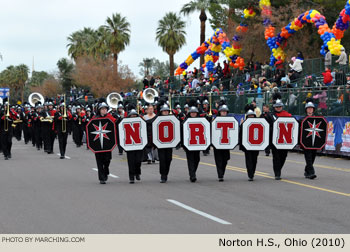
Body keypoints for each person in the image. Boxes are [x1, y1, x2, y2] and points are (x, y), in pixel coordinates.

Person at [265, 99, 292, 180]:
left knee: (283, 156)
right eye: (277, 107)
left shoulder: (288, 115)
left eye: (279, 106)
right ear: (274, 107)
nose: (278, 108)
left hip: (285, 140)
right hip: (274, 140)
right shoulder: (270, 115)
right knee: (276, 157)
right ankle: (277, 173)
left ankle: (278, 169)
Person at [92, 102, 116, 184]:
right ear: (99, 110)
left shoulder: (110, 117)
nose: (104, 110)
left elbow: (115, 123)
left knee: (107, 159)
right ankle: (101, 178)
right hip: (98, 144)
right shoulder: (94, 118)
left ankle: (106, 169)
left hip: (108, 143)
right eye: (102, 109)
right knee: (99, 160)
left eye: (105, 109)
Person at [240, 109, 259, 181]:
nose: (251, 116)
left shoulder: (258, 123)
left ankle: (252, 173)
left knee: (254, 160)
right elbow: (241, 135)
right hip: (247, 146)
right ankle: (250, 175)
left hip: (256, 145)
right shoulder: (244, 123)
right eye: (249, 115)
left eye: (252, 115)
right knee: (248, 160)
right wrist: (241, 125)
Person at [213, 105, 231, 182]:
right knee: (218, 160)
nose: (224, 112)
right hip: (217, 144)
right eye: (222, 111)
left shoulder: (231, 120)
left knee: (225, 159)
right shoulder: (215, 120)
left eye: (225, 111)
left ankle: (222, 172)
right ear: (220, 112)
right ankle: (220, 175)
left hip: (226, 144)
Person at [125, 109, 144, 184]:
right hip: (129, 145)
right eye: (132, 115)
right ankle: (131, 176)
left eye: (135, 115)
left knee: (138, 161)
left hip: (139, 145)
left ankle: (137, 172)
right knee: (131, 162)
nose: (133, 116)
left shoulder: (141, 122)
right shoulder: (125, 122)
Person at [184, 106, 201, 182]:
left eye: (194, 113)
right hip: (188, 144)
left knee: (197, 159)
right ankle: (192, 175)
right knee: (190, 160)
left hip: (197, 144)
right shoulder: (185, 121)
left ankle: (193, 172)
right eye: (192, 113)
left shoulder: (201, 121)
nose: (193, 114)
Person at [301, 102, 317, 179]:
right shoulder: (302, 119)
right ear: (306, 109)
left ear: (313, 109)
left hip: (315, 142)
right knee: (308, 157)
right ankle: (311, 172)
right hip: (306, 142)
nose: (310, 110)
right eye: (308, 108)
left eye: (311, 108)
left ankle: (307, 171)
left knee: (313, 156)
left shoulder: (317, 119)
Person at [157, 104, 173, 183]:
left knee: (169, 159)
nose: (165, 112)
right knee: (162, 160)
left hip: (170, 143)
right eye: (164, 111)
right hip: (160, 144)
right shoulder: (157, 119)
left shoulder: (172, 119)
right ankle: (163, 175)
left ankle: (166, 173)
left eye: (167, 111)